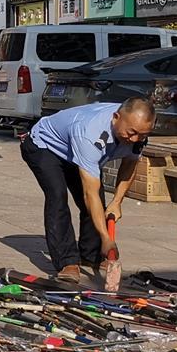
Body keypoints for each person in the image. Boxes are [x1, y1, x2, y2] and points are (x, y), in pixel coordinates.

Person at [20, 98, 153, 286]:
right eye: (131, 133)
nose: (134, 140)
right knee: (58, 196)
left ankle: (91, 255)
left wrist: (117, 201)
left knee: (98, 201)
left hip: (73, 153)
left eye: (141, 135)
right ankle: (67, 262)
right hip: (44, 146)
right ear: (116, 117)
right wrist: (106, 238)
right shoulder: (90, 132)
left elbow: (130, 163)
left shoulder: (137, 131)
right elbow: (89, 194)